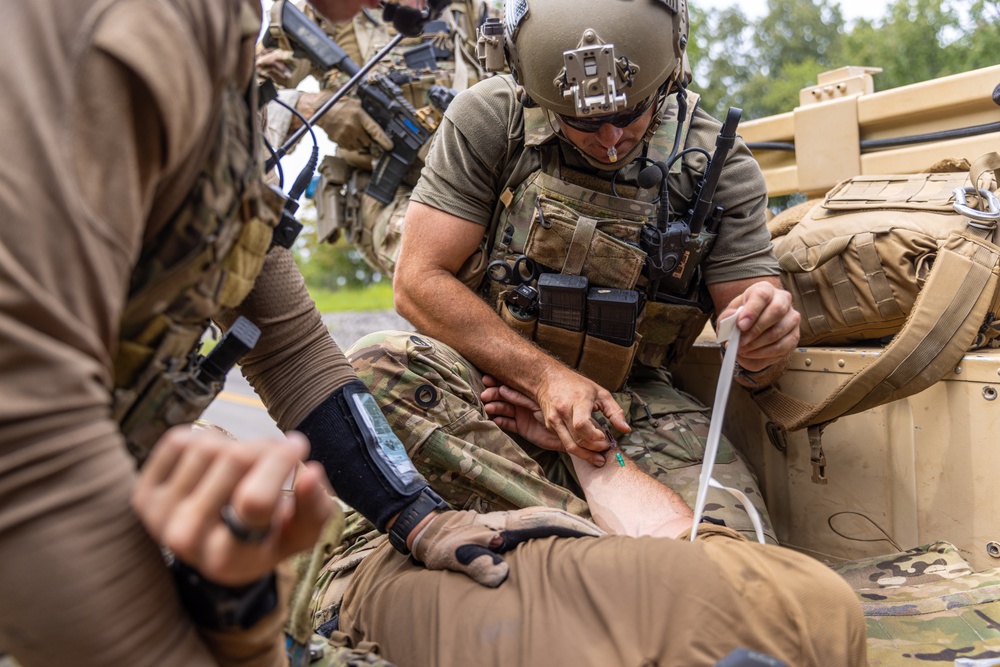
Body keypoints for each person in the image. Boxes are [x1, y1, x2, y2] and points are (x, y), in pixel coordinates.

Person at [0, 1, 596, 665]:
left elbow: (286, 346)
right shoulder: (110, 25)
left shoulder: (222, 56)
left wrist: (418, 514)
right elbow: (27, 431)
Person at [346, 0, 801, 540]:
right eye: (583, 121)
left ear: (667, 78)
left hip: (634, 407)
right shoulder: (492, 118)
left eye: (629, 114)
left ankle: (566, 526)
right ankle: (627, 537)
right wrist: (545, 380)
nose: (609, 141)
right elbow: (418, 283)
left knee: (737, 555)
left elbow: (748, 337)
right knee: (376, 370)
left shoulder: (716, 165)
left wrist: (763, 340)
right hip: (491, 384)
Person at [311, 383, 868, 666]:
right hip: (533, 540)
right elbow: (671, 526)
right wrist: (584, 447)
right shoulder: (808, 606)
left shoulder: (813, 604)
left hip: (359, 569)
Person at [257, 0, 495, 276]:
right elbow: (238, 95)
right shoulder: (328, 10)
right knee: (455, 265)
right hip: (385, 192)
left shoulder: (470, 10)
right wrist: (310, 107)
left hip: (478, 183)